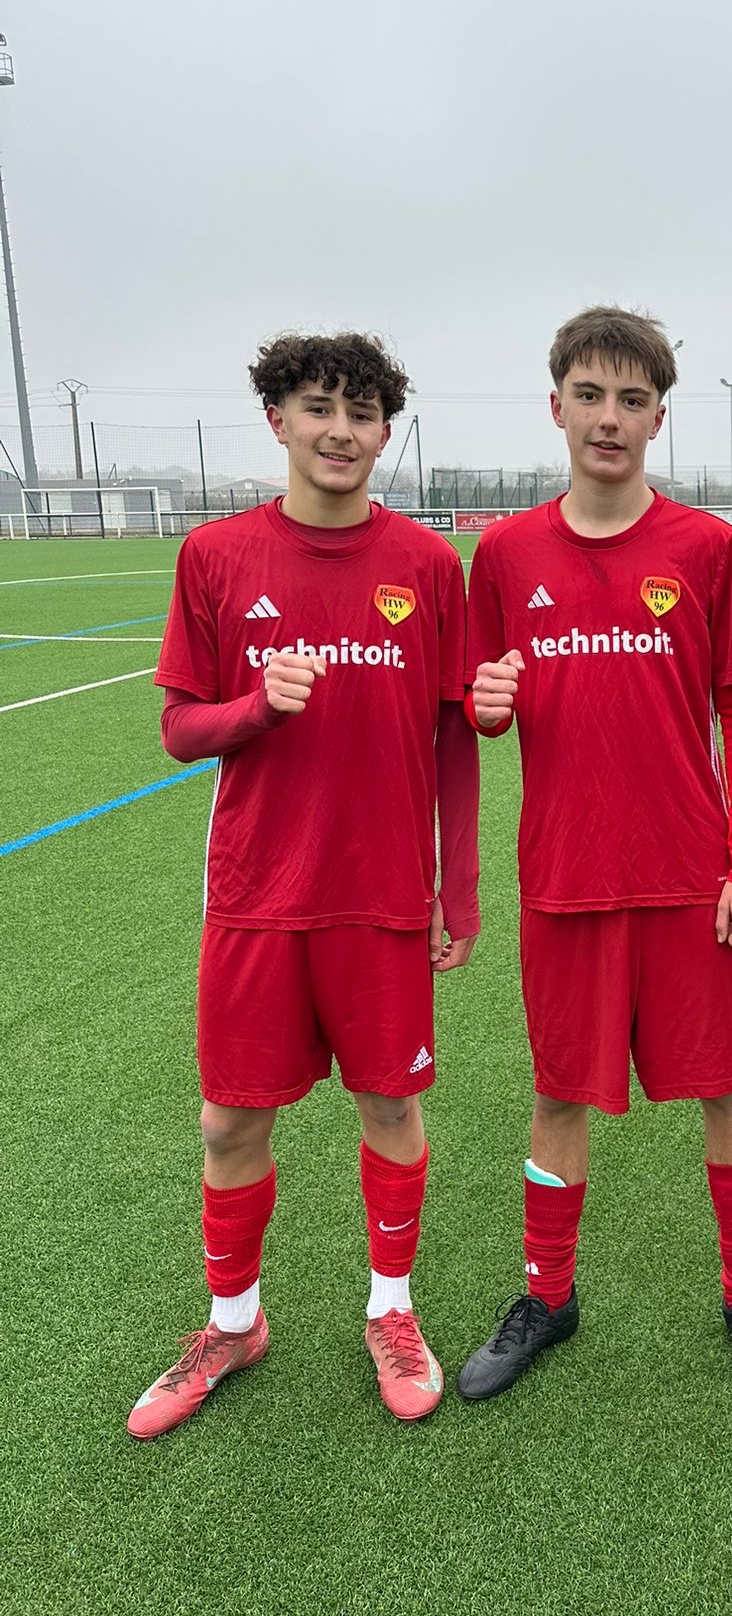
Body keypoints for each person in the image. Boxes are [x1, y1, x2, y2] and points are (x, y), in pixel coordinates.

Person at [129, 332, 480, 1438]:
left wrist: (459, 889)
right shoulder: (216, 556)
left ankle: (392, 1309)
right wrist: (256, 708)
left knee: (392, 1105)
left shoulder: (428, 566)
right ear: (278, 419)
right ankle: (233, 1323)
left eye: (362, 412)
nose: (341, 430)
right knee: (229, 1119)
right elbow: (180, 726)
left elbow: (455, 736)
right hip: (257, 895)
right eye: (319, 407)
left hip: (382, 895)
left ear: (386, 433)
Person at [456, 307, 732, 1407]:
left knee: (725, 1086)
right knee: (559, 1091)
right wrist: (486, 702)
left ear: (659, 416)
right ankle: (546, 1295)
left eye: (633, 399)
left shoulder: (703, 547)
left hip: (690, 879)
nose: (610, 417)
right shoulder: (504, 554)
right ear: (556, 406)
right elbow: (481, 700)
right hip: (566, 877)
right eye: (590, 395)